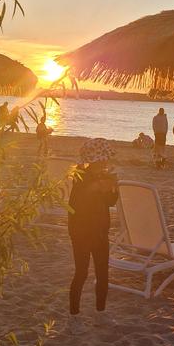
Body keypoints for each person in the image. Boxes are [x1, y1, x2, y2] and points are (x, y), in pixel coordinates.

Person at [67, 138, 119, 326]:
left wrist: (113, 187)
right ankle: (74, 316)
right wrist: (98, 187)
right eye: (104, 160)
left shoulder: (103, 177)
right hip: (81, 232)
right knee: (81, 273)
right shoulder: (81, 176)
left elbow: (111, 202)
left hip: (100, 232)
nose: (106, 163)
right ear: (97, 160)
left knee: (102, 272)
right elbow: (76, 205)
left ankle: (101, 311)